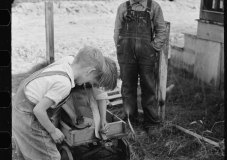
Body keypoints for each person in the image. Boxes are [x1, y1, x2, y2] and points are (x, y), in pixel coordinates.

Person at [12, 46, 117, 160]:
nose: (90, 84)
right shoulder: (64, 83)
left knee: (28, 150)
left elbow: (99, 94)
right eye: (93, 80)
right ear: (90, 71)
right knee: (51, 157)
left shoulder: (70, 67)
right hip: (28, 116)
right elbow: (40, 109)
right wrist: (53, 131)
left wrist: (101, 118)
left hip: (21, 107)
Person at [113, 0, 167, 135]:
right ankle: (131, 120)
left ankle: (152, 123)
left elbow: (161, 30)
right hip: (126, 53)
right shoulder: (123, 7)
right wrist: (121, 48)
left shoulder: (154, 7)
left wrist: (152, 48)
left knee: (148, 87)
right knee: (127, 88)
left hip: (146, 54)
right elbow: (117, 31)